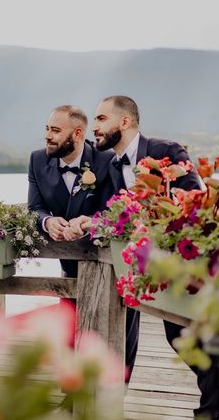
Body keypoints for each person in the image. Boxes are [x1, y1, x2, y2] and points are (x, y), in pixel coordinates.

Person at [68, 95, 219, 420]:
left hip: (185, 262)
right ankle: (215, 408)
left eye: (101, 119)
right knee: (179, 336)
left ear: (124, 122)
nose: (94, 127)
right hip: (151, 269)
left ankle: (210, 415)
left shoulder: (166, 150)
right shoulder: (110, 165)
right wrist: (87, 221)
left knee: (186, 334)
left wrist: (150, 218)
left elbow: (191, 200)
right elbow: (113, 213)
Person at [27, 104, 141, 382]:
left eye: (55, 131)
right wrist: (47, 222)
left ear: (77, 134)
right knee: (69, 334)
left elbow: (122, 207)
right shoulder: (37, 160)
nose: (48, 136)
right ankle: (72, 400)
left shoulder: (107, 159)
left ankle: (115, 395)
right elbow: (34, 207)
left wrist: (89, 221)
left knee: (118, 336)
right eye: (47, 129)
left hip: (113, 265)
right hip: (70, 266)